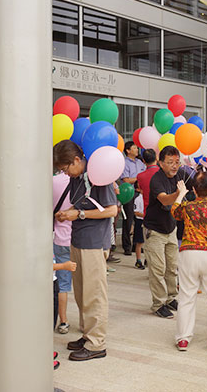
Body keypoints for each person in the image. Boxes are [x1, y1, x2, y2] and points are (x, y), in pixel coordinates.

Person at [53, 140, 118, 362]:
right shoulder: (76, 178)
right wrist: (68, 212)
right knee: (81, 293)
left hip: (94, 242)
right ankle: (87, 334)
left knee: (94, 295)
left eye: (66, 168)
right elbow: (82, 204)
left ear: (77, 160)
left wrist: (78, 215)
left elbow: (111, 210)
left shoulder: (99, 174)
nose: (65, 173)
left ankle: (97, 343)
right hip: (78, 239)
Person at [171, 171, 207, 353]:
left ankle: (183, 338)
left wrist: (181, 193)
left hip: (189, 252)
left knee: (186, 296)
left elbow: (174, 211)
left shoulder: (188, 207)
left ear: (194, 191)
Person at [143, 146, 186, 319]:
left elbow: (198, 187)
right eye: (170, 162)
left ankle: (170, 298)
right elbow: (165, 199)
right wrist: (178, 193)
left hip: (171, 228)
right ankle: (158, 304)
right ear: (161, 163)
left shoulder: (180, 175)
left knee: (172, 267)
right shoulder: (156, 180)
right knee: (158, 269)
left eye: (176, 162)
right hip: (155, 231)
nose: (174, 166)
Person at [53, 172, 73, 334]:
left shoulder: (52, 181)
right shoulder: (84, 181)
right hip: (80, 240)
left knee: (62, 285)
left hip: (59, 239)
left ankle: (63, 321)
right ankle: (86, 320)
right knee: (83, 284)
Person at [120, 142, 146, 256]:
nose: (137, 149)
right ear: (128, 150)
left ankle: (137, 245)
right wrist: (138, 178)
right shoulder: (124, 163)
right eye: (134, 148)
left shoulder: (140, 163)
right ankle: (127, 246)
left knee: (139, 220)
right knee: (128, 220)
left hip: (140, 193)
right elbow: (125, 180)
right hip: (129, 193)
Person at [136, 149, 159, 215]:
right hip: (164, 211)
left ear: (143, 161)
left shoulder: (140, 176)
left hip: (148, 211)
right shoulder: (163, 173)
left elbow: (141, 190)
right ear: (156, 158)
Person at [132, 185, 145, 270]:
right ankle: (138, 260)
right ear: (138, 189)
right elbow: (136, 212)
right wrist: (145, 215)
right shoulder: (138, 199)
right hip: (140, 221)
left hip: (147, 221)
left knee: (147, 242)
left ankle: (147, 259)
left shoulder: (149, 198)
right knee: (139, 242)